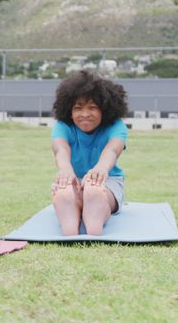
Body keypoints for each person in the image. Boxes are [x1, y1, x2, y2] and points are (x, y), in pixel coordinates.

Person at [50, 70, 128, 236]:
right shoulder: (62, 126)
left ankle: (94, 219)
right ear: (69, 111)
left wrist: (101, 168)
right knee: (66, 190)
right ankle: (70, 219)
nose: (85, 114)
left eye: (92, 107)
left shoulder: (116, 126)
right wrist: (65, 169)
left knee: (94, 189)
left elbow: (113, 149)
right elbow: (61, 149)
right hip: (73, 179)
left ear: (105, 109)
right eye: (78, 108)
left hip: (108, 181)